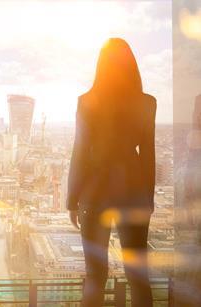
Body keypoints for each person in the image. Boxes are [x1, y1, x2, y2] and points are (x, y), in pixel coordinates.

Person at [67, 38, 155, 307]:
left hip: (95, 192)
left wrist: (72, 200)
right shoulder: (147, 103)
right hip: (134, 193)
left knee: (95, 276)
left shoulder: (87, 101)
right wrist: (148, 201)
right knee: (138, 276)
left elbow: (80, 152)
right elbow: (148, 156)